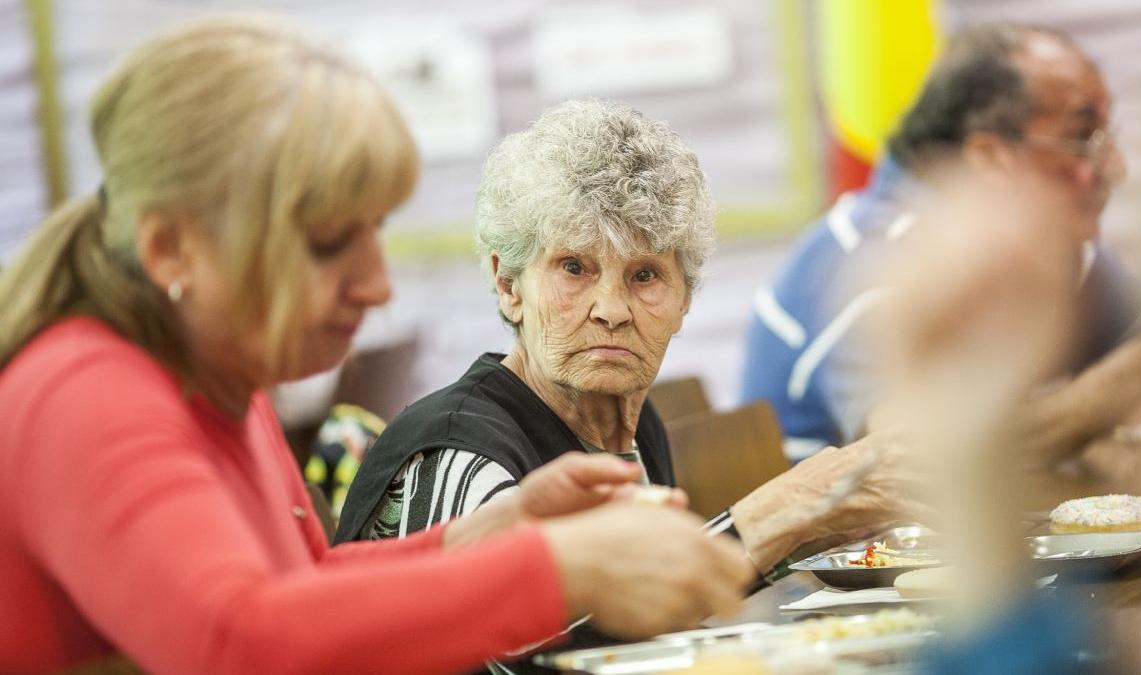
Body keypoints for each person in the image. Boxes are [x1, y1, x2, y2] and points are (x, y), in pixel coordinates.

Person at [0, 18, 755, 675]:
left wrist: (495, 528)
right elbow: (239, 642)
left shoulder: (221, 374)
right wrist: (559, 569)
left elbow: (309, 583)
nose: (378, 285)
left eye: (375, 232)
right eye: (331, 243)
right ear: (171, 250)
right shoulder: (85, 393)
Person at [336, 100, 925, 638]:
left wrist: (813, 525)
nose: (612, 311)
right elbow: (523, 656)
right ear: (507, 283)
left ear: (684, 299)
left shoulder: (633, 427)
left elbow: (639, 630)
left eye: (645, 275)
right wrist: (785, 507)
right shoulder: (461, 457)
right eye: (574, 268)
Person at [740, 23, 1141, 467]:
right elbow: (922, 459)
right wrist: (1107, 396)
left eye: (1109, 136)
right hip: (854, 538)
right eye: (1082, 139)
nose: (1115, 168)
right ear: (991, 157)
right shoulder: (875, 257)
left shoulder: (1047, 245)